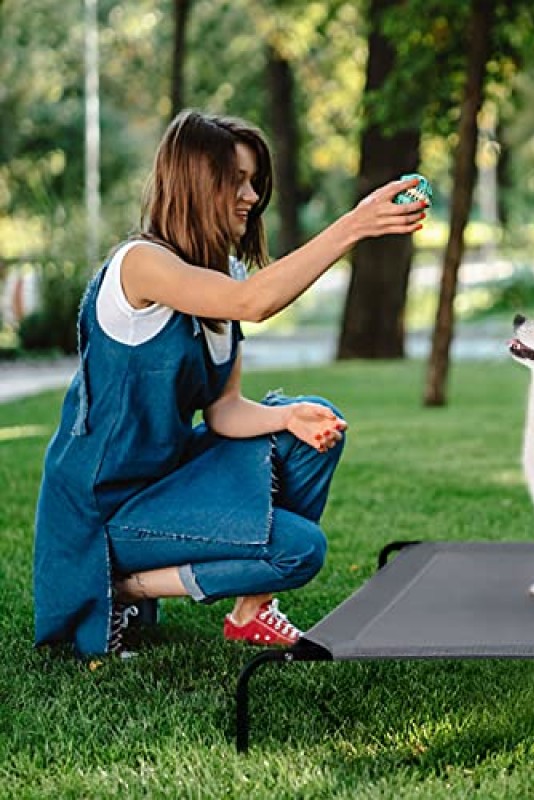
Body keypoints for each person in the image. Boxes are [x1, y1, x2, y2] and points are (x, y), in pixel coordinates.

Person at [33, 109, 428, 658]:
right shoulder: (140, 266)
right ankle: (118, 583)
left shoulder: (223, 274)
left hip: (165, 482)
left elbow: (224, 411)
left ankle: (250, 612)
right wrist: (355, 224)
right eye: (236, 181)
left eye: (254, 181)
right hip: (101, 511)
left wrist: (288, 418)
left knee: (309, 424)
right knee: (300, 550)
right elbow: (254, 303)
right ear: (196, 185)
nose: (252, 196)